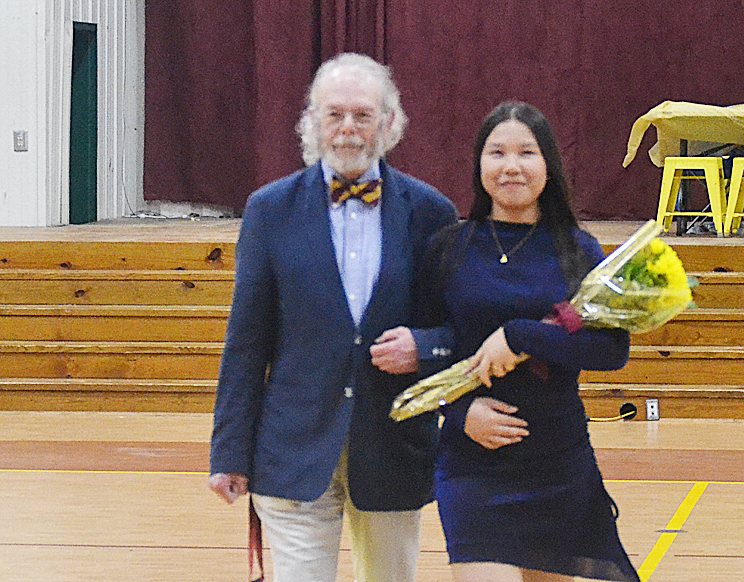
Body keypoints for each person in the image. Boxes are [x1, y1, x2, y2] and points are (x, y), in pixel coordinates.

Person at [207, 52, 458, 582]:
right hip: (292, 449)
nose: (348, 128)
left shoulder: (432, 212)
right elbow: (246, 341)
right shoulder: (268, 210)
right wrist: (228, 451)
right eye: (334, 114)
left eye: (363, 115)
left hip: (393, 447)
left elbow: (457, 329)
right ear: (312, 122)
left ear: (389, 123)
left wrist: (423, 348)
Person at [410, 102, 640, 581]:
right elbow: (424, 349)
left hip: (557, 462)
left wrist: (521, 336)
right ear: (479, 166)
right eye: (497, 153)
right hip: (472, 466)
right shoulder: (448, 248)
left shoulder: (578, 250)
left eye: (526, 153)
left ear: (548, 165)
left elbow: (610, 349)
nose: (511, 166)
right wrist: (458, 410)